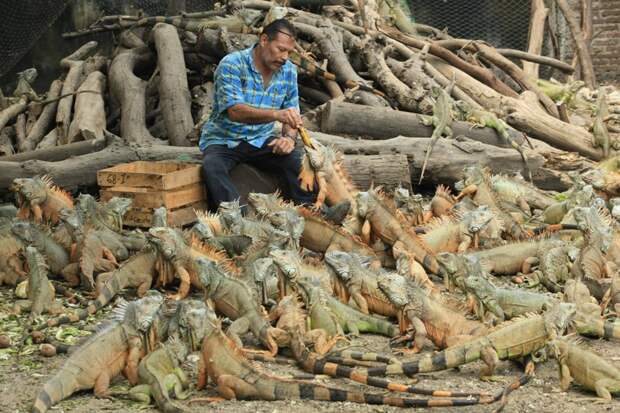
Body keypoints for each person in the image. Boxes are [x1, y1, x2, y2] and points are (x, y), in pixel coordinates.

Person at [200, 18, 316, 214]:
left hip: (260, 139)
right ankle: (238, 217)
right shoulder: (232, 64)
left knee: (297, 161)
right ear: (263, 40)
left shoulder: (288, 71)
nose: (285, 57)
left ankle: (312, 212)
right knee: (212, 167)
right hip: (223, 140)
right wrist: (277, 115)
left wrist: (288, 138)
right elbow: (235, 112)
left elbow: (292, 113)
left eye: (289, 52)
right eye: (281, 49)